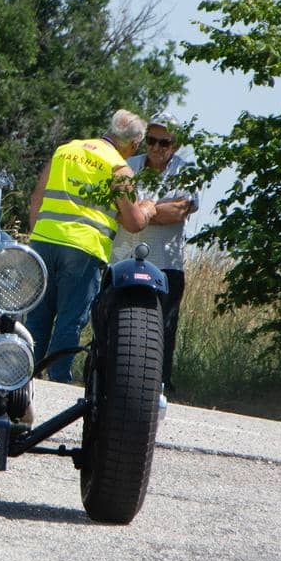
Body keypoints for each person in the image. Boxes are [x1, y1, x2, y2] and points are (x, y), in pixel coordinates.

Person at [23, 109, 156, 382]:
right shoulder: (119, 168)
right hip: (83, 249)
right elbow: (133, 222)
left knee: (37, 317)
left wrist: (37, 235)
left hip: (44, 241)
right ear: (134, 144)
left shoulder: (65, 150)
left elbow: (37, 197)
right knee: (70, 320)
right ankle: (58, 380)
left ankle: (24, 377)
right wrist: (148, 209)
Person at [112, 110, 198, 392]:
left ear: (175, 144)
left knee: (164, 327)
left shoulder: (185, 170)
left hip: (167, 264)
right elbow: (117, 211)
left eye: (164, 143)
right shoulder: (128, 166)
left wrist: (142, 211)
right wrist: (150, 211)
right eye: (151, 141)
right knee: (116, 322)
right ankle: (110, 380)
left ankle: (158, 385)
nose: (156, 148)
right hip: (124, 259)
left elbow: (180, 210)